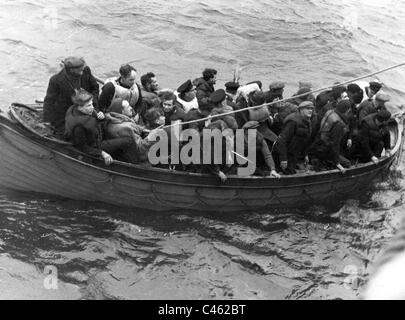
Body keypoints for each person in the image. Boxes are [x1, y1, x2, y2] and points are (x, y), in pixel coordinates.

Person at [65, 89, 153, 166]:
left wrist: (101, 118)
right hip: (96, 146)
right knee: (128, 141)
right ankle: (137, 165)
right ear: (80, 108)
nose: (92, 108)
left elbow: (96, 121)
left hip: (97, 138)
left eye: (92, 104)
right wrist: (102, 153)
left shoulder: (78, 110)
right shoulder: (79, 127)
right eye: (88, 106)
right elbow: (82, 147)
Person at [43, 56, 101, 136]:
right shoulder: (56, 80)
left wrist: (92, 102)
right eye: (79, 71)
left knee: (100, 124)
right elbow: (49, 101)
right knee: (74, 133)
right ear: (71, 70)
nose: (82, 73)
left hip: (88, 107)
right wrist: (46, 121)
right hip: (66, 113)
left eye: (82, 70)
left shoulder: (85, 70)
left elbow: (95, 88)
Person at [104, 99, 158, 164]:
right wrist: (152, 136)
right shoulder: (127, 127)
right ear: (121, 111)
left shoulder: (112, 120)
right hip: (134, 159)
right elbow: (140, 150)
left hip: (120, 155)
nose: (131, 108)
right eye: (128, 107)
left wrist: (145, 130)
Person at [309, 100, 352, 173]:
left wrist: (349, 138)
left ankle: (322, 161)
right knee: (347, 164)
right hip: (326, 150)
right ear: (346, 110)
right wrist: (337, 163)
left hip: (317, 145)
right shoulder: (339, 124)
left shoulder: (329, 112)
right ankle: (326, 164)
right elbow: (335, 144)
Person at [273, 101, 314, 175]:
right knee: (286, 172)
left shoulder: (307, 121)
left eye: (311, 108)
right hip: (284, 153)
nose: (310, 110)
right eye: (307, 108)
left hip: (294, 153)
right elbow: (282, 140)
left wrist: (305, 154)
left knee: (292, 171)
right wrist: (283, 159)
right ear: (301, 110)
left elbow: (305, 140)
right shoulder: (293, 121)